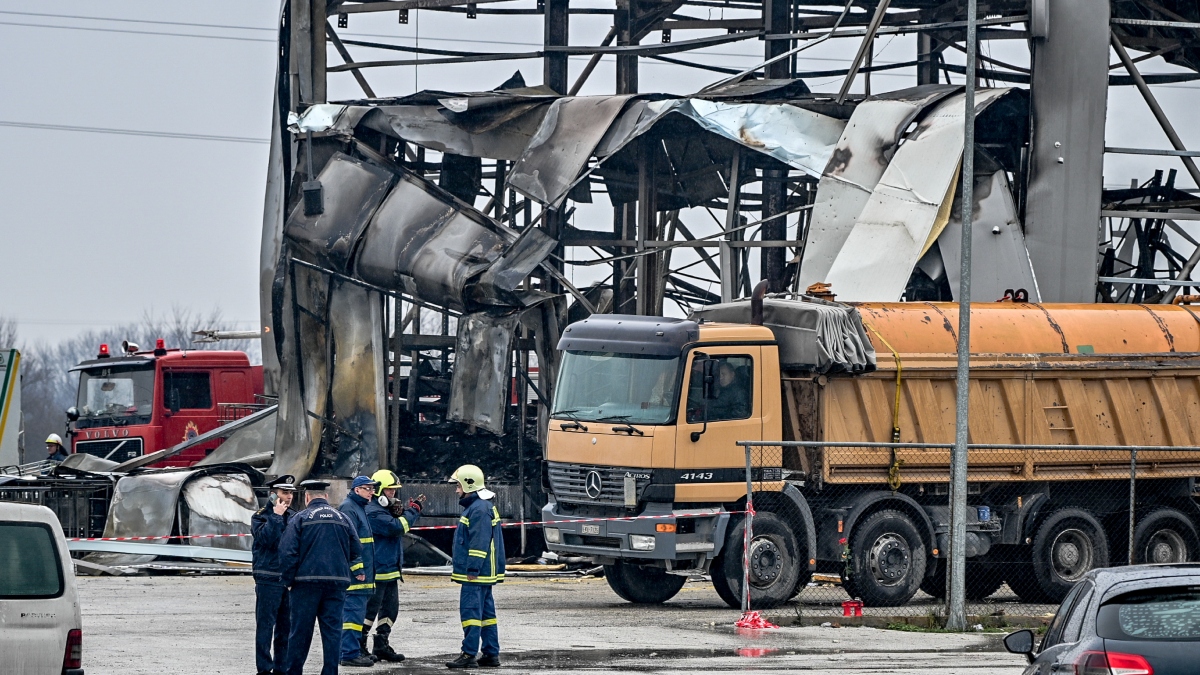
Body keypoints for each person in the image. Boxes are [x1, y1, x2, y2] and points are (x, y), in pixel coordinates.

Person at [279, 479, 362, 675]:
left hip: (305, 584)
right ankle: (330, 671)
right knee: (332, 632)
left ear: (307, 497)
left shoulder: (300, 518)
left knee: (300, 632)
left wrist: (288, 580)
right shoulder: (343, 518)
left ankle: (294, 671)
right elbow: (356, 549)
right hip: (336, 584)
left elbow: (287, 552)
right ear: (325, 496)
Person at [445, 464, 505, 669]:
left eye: (458, 486)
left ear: (468, 485)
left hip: (476, 574)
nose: (457, 490)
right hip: (484, 573)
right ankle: (490, 653)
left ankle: (469, 654)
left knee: (470, 613)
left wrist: (472, 569)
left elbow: (479, 542)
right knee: (486, 616)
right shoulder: (482, 506)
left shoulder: (478, 509)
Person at [363, 469, 423, 662]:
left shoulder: (384, 510)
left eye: (395, 490)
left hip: (390, 570)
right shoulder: (372, 512)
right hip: (377, 571)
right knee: (369, 611)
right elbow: (396, 528)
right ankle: (359, 645)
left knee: (390, 610)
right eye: (389, 490)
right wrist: (413, 511)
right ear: (379, 491)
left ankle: (381, 645)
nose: (393, 494)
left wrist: (401, 512)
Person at [252, 475, 296, 675]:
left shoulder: (294, 516)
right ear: (272, 495)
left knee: (286, 628)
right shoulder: (260, 517)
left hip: (288, 579)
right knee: (265, 627)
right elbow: (266, 540)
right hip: (268, 577)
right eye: (284, 493)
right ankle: (264, 669)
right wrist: (276, 516)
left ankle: (281, 668)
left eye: (291, 493)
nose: (289, 497)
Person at [338, 476, 379, 668]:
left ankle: (353, 651)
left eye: (372, 489)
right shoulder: (349, 508)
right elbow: (349, 541)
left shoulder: (359, 507)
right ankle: (349, 654)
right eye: (368, 489)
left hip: (364, 574)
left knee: (357, 614)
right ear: (357, 490)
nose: (372, 492)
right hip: (356, 575)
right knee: (352, 616)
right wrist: (357, 568)